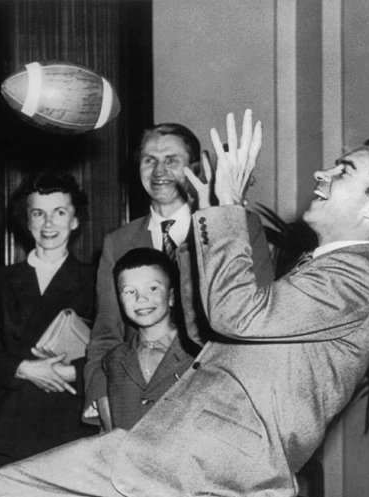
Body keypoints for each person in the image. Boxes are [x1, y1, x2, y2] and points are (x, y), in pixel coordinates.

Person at [0, 109, 369, 497]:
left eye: (342, 171)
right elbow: (215, 330)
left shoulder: (357, 276)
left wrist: (227, 209)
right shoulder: (332, 266)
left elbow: (237, 316)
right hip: (180, 445)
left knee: (6, 489)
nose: (322, 172)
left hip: (210, 461)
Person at [83, 122, 272, 428]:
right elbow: (106, 334)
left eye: (171, 160)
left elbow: (260, 320)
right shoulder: (117, 242)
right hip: (136, 401)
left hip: (216, 398)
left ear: (194, 169)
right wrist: (103, 404)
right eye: (149, 160)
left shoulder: (236, 226)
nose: (159, 171)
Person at [0, 171, 99, 486]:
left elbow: (112, 352)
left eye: (60, 212)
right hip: (5, 429)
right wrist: (26, 369)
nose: (49, 223)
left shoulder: (96, 279)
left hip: (71, 427)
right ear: (27, 222)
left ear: (76, 221)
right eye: (39, 213)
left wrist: (70, 373)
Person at [103, 248, 196, 431]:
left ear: (171, 296)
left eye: (152, 288)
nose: (141, 298)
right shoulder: (114, 360)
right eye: (130, 291)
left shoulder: (197, 354)